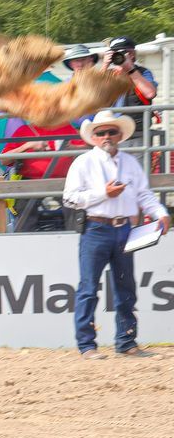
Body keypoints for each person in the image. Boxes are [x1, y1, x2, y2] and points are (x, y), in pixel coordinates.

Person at [62, 109, 168, 359]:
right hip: (96, 228)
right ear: (94, 136)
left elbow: (144, 194)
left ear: (120, 135)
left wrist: (159, 213)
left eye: (111, 132)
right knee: (89, 287)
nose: (106, 136)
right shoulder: (84, 162)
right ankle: (88, 345)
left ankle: (126, 341)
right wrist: (103, 194)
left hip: (123, 230)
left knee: (125, 287)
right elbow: (69, 198)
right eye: (101, 133)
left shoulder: (129, 162)